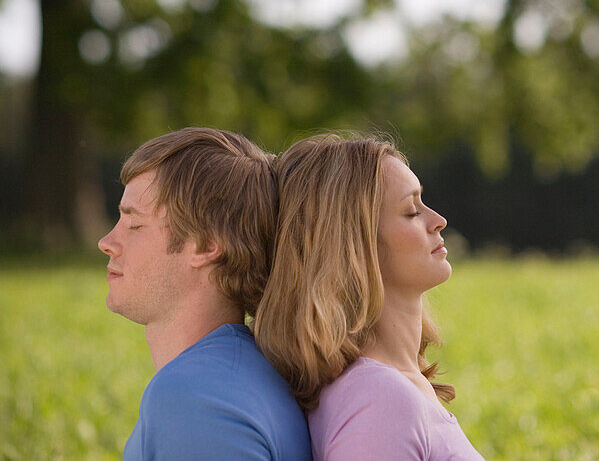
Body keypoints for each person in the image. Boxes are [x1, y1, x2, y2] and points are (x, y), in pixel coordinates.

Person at [254, 133, 484, 460]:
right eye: (410, 211)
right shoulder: (380, 401)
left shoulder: (391, 388)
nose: (438, 221)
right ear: (355, 246)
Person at [98, 127, 312, 461]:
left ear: (207, 244)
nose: (107, 243)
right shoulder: (236, 374)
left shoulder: (196, 396)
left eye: (134, 225)